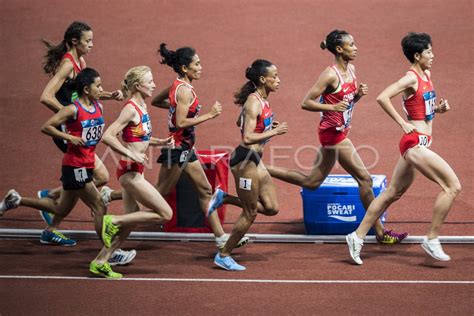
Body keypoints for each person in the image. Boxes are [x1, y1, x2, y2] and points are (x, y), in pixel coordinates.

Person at [261, 29, 407, 244]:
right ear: (339, 49)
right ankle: (380, 233)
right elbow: (306, 102)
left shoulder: (352, 69)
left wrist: (356, 96)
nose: (356, 48)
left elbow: (345, 104)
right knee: (364, 180)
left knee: (312, 182)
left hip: (341, 131)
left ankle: (262, 168)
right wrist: (331, 105)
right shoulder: (330, 74)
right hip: (333, 135)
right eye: (351, 44)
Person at [103, 43, 249, 249]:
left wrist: (174, 106)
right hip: (178, 149)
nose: (200, 67)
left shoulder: (178, 85)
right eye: (196, 64)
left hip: (186, 149)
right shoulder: (184, 91)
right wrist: (209, 115)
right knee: (158, 196)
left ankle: (220, 237)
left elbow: (156, 101)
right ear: (184, 68)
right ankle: (113, 216)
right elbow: (180, 123)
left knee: (205, 190)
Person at [346, 32, 461, 265]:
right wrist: (402, 122)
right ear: (417, 55)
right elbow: (382, 97)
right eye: (429, 51)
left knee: (392, 193)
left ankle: (356, 236)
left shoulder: (426, 75)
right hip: (414, 143)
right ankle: (432, 238)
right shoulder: (410, 78)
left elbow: (420, 109)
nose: (433, 55)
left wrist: (437, 110)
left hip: (421, 142)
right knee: (452, 186)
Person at [0, 68, 121, 277]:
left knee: (58, 208)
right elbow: (46, 127)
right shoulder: (72, 110)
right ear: (86, 89)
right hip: (75, 166)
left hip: (87, 162)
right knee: (99, 206)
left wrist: (113, 95)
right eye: (98, 85)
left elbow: (101, 95)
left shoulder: (97, 104)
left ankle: (16, 200)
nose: (101, 89)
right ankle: (110, 253)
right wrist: (69, 138)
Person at [37, 21, 124, 249]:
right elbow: (46, 96)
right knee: (97, 178)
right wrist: (67, 115)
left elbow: (87, 92)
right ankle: (50, 204)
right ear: (74, 41)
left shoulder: (81, 62)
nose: (91, 45)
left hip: (78, 129)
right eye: (88, 40)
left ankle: (51, 213)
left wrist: (108, 95)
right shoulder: (67, 64)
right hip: (69, 132)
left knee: (87, 180)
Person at [209, 59, 288, 271]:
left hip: (255, 161)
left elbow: (239, 121)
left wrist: (269, 125)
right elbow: (246, 137)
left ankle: (224, 198)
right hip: (244, 163)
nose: (279, 80)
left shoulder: (262, 99)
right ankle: (223, 255)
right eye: (275, 76)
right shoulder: (254, 102)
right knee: (250, 213)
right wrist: (273, 131)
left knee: (271, 208)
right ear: (263, 79)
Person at [99, 66, 174, 277]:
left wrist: (159, 142)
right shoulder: (130, 108)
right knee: (165, 213)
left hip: (135, 169)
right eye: (150, 82)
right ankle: (112, 220)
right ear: (137, 86)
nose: (154, 85)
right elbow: (108, 136)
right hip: (129, 171)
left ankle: (100, 260)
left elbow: (137, 137)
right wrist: (131, 155)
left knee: (129, 223)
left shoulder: (142, 105)